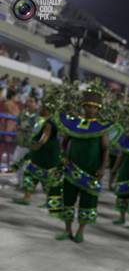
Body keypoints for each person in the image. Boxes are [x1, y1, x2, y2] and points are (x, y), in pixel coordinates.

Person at [55, 82, 113, 243]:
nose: (90, 110)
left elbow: (106, 149)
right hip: (71, 169)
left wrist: (102, 168)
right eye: (88, 106)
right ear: (83, 106)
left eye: (94, 107)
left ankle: (80, 231)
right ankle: (67, 230)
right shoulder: (74, 124)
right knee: (68, 200)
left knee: (88, 203)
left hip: (92, 171)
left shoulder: (101, 128)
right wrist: (64, 157)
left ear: (98, 109)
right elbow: (64, 143)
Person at [13, 100, 62, 213]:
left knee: (46, 178)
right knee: (31, 174)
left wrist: (37, 145)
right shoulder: (41, 120)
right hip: (40, 153)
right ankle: (27, 197)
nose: (41, 109)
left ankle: (50, 202)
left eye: (43, 108)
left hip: (46, 154)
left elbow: (44, 137)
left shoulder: (50, 122)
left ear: (48, 110)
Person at [12, 94, 38, 189]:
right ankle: (20, 182)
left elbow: (34, 128)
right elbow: (18, 124)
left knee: (26, 166)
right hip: (20, 142)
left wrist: (23, 127)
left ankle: (25, 185)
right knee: (16, 161)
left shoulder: (38, 116)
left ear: (36, 103)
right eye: (28, 101)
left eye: (32, 101)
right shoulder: (23, 113)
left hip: (30, 144)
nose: (29, 103)